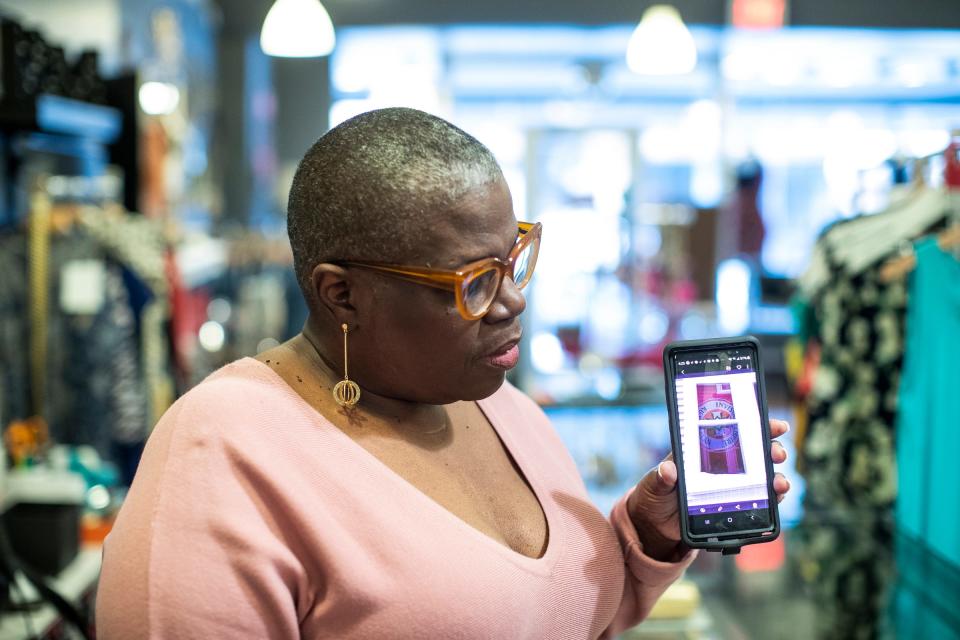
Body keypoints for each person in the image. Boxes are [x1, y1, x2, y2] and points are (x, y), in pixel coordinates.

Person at [96, 107, 791, 639]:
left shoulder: (494, 400)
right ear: (342, 293)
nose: (514, 299)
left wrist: (644, 537)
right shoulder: (219, 454)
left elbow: (552, 617)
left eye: (513, 258)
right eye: (473, 281)